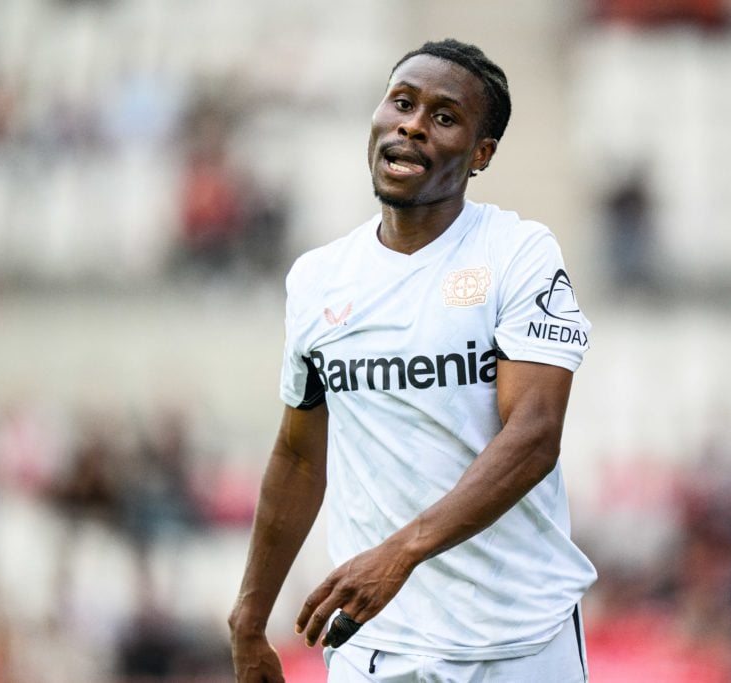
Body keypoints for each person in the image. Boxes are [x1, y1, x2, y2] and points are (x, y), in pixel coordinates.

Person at [229, 38, 596, 682]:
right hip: (378, 648)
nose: (412, 126)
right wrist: (249, 617)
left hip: (517, 644)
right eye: (401, 103)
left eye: (444, 117)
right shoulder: (318, 280)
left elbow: (534, 436)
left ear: (480, 154)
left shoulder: (518, 253)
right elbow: (299, 454)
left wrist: (400, 554)